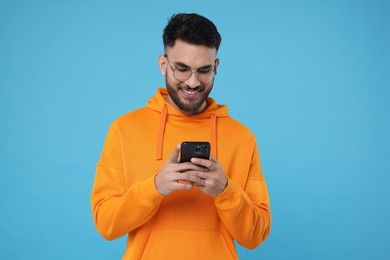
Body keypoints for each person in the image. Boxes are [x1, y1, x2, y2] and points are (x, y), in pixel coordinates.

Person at [91, 13, 271, 260]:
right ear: (163, 64)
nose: (193, 82)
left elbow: (256, 236)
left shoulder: (242, 138)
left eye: (204, 70)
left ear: (216, 67)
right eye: (182, 69)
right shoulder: (124, 129)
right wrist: (155, 187)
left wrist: (225, 190)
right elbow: (106, 224)